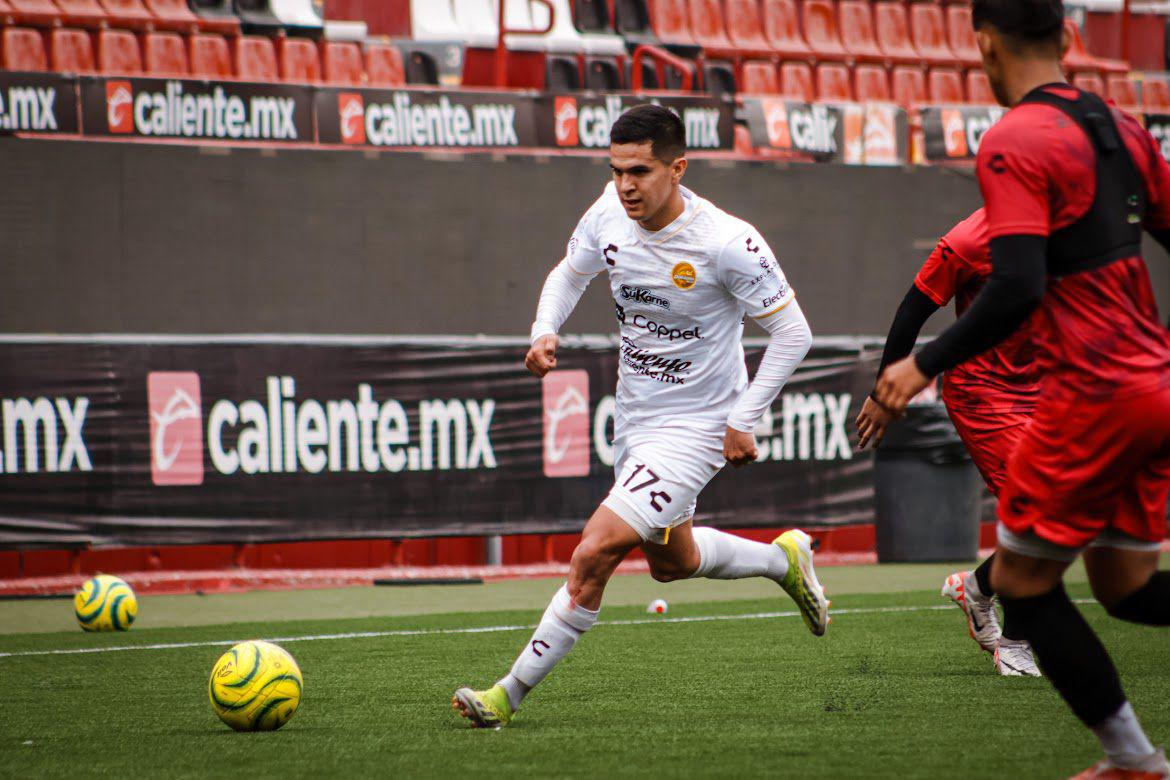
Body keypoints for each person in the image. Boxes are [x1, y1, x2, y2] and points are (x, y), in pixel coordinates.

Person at [452, 105, 828, 729]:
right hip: (635, 419)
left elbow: (794, 332)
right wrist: (545, 330)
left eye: (641, 171)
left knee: (594, 551)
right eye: (617, 169)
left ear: (678, 168)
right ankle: (781, 560)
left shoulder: (727, 242)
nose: (626, 185)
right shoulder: (608, 211)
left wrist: (745, 417)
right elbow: (568, 274)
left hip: (699, 426)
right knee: (671, 563)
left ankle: (506, 694)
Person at [874, 1, 1170, 776]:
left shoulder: (1013, 140)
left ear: (983, 44)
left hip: (1090, 393)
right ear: (1069, 37)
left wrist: (919, 365)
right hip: (1153, 384)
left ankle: (1134, 762)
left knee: (1025, 583)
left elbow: (1017, 288)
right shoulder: (1125, 129)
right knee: (1128, 588)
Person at [855, 208, 1041, 677]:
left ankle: (977, 587)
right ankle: (1016, 644)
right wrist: (886, 390)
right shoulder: (972, 238)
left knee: (1070, 515)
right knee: (1035, 509)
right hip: (986, 391)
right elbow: (913, 309)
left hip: (1051, 384)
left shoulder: (1085, 225)